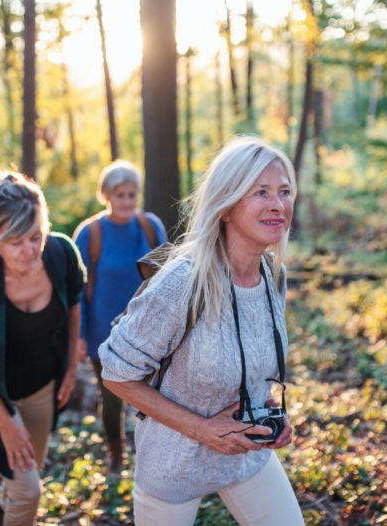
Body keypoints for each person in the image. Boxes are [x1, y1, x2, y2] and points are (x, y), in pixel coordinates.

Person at [98, 136, 305, 525]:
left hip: (247, 454)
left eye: (284, 191)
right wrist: (203, 429)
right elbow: (115, 372)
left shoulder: (272, 275)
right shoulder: (182, 283)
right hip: (172, 465)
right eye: (260, 192)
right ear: (226, 206)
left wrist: (270, 410)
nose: (278, 204)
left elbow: (252, 356)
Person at [0, 171, 85, 526]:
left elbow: (73, 305)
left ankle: (2, 513)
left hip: (43, 385)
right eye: (16, 242)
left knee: (27, 470)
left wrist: (70, 369)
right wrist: (6, 423)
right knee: (28, 490)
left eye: (36, 236)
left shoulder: (60, 253)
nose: (29, 251)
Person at [73, 160, 166, 473]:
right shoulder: (90, 234)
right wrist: (80, 335)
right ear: (107, 196)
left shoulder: (151, 227)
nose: (126, 201)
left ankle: (151, 458)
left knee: (154, 398)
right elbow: (77, 290)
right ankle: (115, 455)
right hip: (105, 333)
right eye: (120, 195)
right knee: (112, 398)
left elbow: (169, 278)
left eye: (131, 194)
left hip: (149, 330)